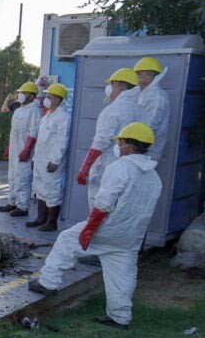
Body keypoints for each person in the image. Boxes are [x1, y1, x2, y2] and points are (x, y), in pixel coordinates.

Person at [29, 123, 162, 329]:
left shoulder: (121, 167)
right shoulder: (154, 177)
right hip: (131, 236)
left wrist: (89, 229)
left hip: (108, 229)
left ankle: (48, 282)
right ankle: (120, 317)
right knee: (122, 274)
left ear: (130, 145)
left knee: (66, 240)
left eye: (121, 140)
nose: (118, 143)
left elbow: (103, 204)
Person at [75, 68, 141, 210]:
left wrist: (84, 169)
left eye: (112, 84)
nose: (109, 88)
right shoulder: (139, 109)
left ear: (121, 85)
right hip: (130, 167)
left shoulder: (112, 110)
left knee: (99, 207)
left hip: (106, 168)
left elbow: (100, 143)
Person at [20, 83, 69, 231]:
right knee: (40, 188)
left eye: (50, 97)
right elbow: (41, 140)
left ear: (58, 100)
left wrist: (55, 161)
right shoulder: (47, 116)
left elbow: (62, 140)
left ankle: (52, 222)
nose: (46, 99)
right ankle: (41, 218)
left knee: (53, 189)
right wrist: (35, 159)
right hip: (40, 160)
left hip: (51, 161)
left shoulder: (63, 117)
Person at [0, 82, 41, 216]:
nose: (20, 95)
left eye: (23, 93)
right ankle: (12, 202)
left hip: (24, 151)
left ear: (31, 95)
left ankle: (23, 206)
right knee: (12, 176)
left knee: (23, 177)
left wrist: (27, 150)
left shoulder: (34, 111)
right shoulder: (18, 110)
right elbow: (14, 131)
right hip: (14, 150)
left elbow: (34, 132)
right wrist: (8, 147)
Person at [132, 56, 171, 162]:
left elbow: (150, 126)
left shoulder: (155, 96)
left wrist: (137, 149)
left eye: (148, 74)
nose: (143, 78)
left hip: (145, 152)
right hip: (139, 149)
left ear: (156, 76)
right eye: (140, 74)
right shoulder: (144, 93)